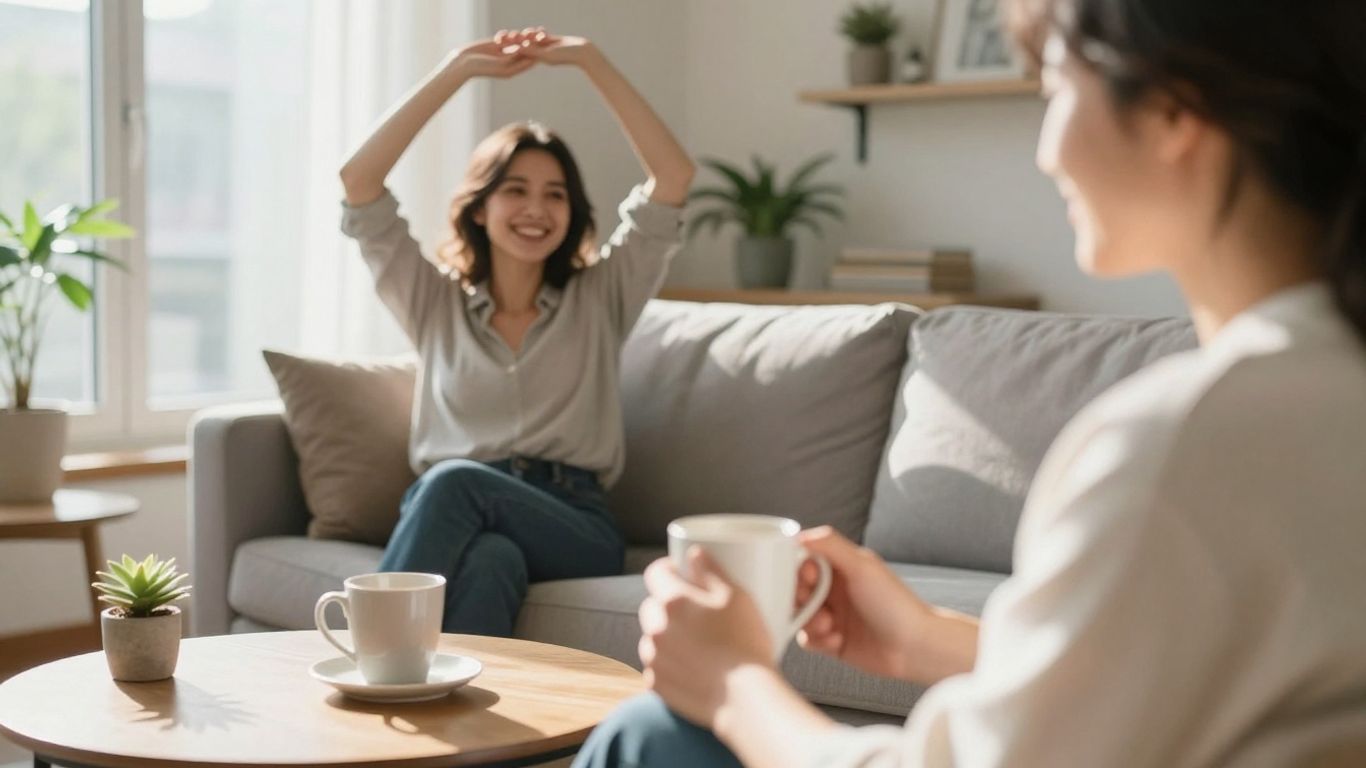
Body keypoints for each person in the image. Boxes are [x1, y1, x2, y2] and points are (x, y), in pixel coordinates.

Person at [573, 0, 1366, 765]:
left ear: (1174, 112)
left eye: (1054, 91)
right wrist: (925, 637)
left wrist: (732, 683)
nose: (1046, 150)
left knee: (652, 735)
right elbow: (1187, 687)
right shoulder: (1327, 388)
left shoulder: (1179, 442)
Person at [338, 28, 694, 636]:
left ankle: (366, 654)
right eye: (516, 190)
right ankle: (468, 729)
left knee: (453, 483)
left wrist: (590, 60)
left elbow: (673, 177)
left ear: (572, 214)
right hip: (459, 516)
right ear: (480, 207)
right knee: (491, 561)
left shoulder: (601, 296)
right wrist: (455, 71)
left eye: (555, 195)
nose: (537, 209)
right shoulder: (434, 302)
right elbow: (359, 182)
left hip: (572, 522)